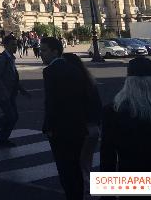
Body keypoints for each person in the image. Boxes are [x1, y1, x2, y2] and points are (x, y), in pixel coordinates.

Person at [100, 56, 151, 174]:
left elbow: (107, 157)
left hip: (131, 179)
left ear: (128, 81)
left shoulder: (112, 111)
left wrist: (107, 191)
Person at [40, 37, 90, 200]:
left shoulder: (49, 71)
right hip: (78, 126)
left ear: (55, 52)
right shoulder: (75, 69)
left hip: (60, 129)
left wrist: (48, 126)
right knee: (76, 165)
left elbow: (52, 102)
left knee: (64, 168)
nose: (41, 54)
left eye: (44, 50)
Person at [61, 52, 102, 200]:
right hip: (93, 128)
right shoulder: (89, 81)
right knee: (86, 161)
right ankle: (90, 189)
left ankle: (87, 191)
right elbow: (98, 106)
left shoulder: (71, 84)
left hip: (81, 128)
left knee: (78, 164)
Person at [0, 34, 30, 147]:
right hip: (2, 94)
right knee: (11, 116)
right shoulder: (2, 58)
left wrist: (22, 90)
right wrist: (4, 92)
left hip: (10, 93)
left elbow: (13, 77)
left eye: (16, 44)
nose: (16, 47)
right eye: (13, 45)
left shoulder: (10, 58)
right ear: (6, 45)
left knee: (13, 116)